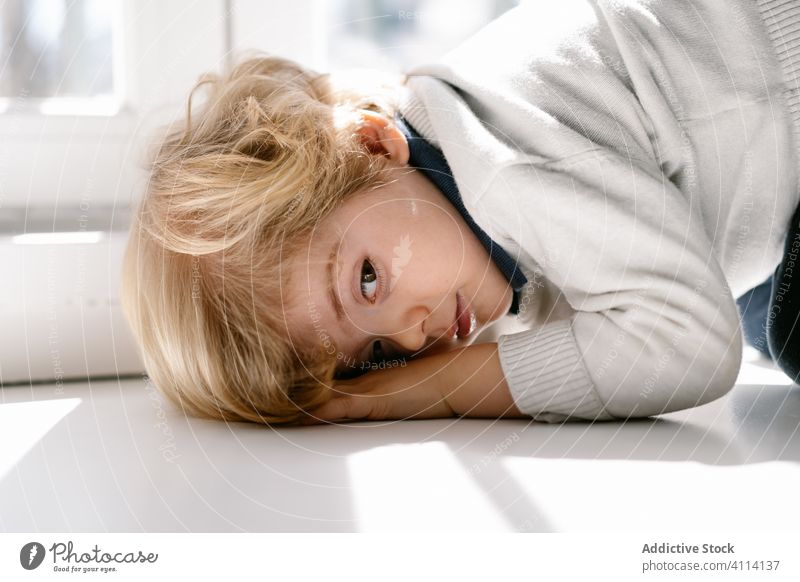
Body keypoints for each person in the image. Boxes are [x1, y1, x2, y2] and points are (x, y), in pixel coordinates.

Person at [121, 0, 800, 426]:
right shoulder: (453, 194)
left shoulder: (502, 164)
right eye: (378, 355)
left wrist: (438, 390)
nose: (416, 341)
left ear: (370, 143)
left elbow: (690, 347)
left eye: (365, 281)